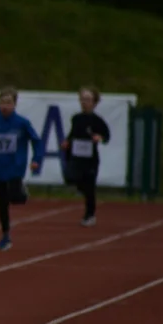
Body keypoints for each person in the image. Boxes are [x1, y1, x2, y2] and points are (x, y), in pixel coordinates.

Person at [0, 86, 43, 251]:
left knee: (15, 197)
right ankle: (5, 235)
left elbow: (36, 140)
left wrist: (36, 159)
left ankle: (21, 192)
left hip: (16, 166)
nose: (4, 106)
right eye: (2, 102)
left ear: (14, 104)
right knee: (2, 203)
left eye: (8, 103)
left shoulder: (22, 123)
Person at [61, 86, 111, 227]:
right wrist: (66, 142)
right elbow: (73, 134)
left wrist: (99, 137)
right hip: (76, 156)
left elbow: (106, 136)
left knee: (90, 187)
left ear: (94, 102)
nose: (84, 102)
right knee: (71, 178)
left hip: (90, 159)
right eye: (82, 99)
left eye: (88, 100)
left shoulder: (97, 120)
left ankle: (90, 215)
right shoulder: (76, 118)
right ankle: (79, 189)